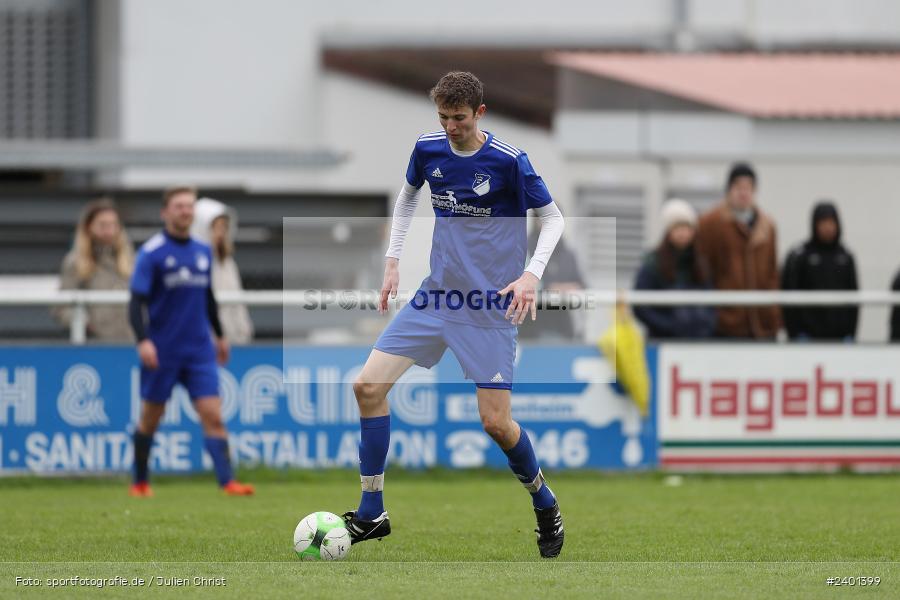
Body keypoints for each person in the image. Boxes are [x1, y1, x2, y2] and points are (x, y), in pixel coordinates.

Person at [342, 71, 566, 558]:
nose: (449, 127)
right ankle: (371, 510)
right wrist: (392, 261)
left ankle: (544, 500)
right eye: (442, 117)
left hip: (488, 308)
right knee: (367, 387)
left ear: (479, 113)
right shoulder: (428, 149)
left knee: (496, 424)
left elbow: (553, 218)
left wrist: (531, 275)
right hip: (437, 296)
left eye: (458, 118)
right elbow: (406, 200)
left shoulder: (509, 161)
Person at [127, 186, 254, 497]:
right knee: (150, 417)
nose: (185, 211)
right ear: (166, 212)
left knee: (212, 413)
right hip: (163, 349)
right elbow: (135, 301)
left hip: (199, 349)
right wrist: (144, 340)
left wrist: (220, 335)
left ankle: (228, 482)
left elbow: (207, 297)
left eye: (189, 206)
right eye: (179, 206)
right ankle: (140, 482)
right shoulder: (152, 252)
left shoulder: (202, 250)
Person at [696, 163, 781, 339]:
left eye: (749, 187)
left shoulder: (767, 227)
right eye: (738, 186)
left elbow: (772, 273)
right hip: (725, 324)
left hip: (762, 324)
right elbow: (702, 271)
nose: (744, 192)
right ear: (728, 189)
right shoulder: (710, 223)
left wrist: (774, 314)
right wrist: (712, 314)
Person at [633, 199, 716, 339]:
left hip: (698, 340)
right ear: (669, 231)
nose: (683, 233)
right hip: (662, 340)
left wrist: (703, 325)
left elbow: (711, 302)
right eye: (678, 227)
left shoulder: (700, 264)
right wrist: (669, 326)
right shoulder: (653, 263)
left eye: (687, 227)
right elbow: (640, 305)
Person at [54, 198, 134, 341]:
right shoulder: (75, 262)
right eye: (103, 225)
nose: (109, 231)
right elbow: (61, 307)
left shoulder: (132, 260)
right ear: (88, 227)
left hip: (131, 343)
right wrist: (85, 323)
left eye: (113, 225)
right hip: (94, 346)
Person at [781, 201, 859, 341]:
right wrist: (794, 334)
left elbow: (854, 297)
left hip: (840, 337)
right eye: (823, 222)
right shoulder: (800, 255)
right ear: (814, 224)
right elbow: (788, 295)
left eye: (831, 222)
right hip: (807, 337)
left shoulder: (846, 257)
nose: (828, 227)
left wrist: (850, 333)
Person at [190, 197, 254, 344]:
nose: (219, 234)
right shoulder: (192, 264)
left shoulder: (227, 263)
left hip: (232, 337)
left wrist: (243, 329)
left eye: (223, 227)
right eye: (215, 227)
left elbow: (238, 301)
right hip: (203, 339)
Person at [519, 213, 586, 342]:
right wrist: (552, 287)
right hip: (532, 328)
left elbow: (581, 285)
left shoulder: (568, 254)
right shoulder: (524, 249)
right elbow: (534, 284)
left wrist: (558, 287)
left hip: (562, 328)